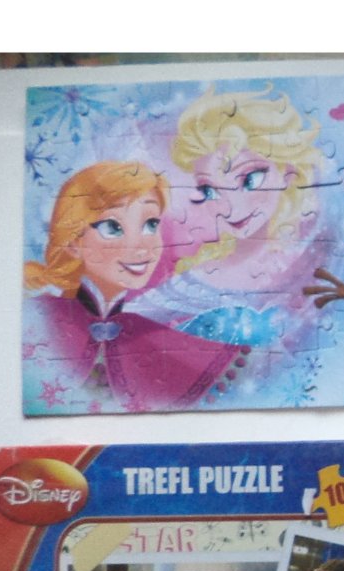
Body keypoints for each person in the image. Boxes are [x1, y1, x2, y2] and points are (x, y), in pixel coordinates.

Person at [22, 161, 244, 411]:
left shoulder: (151, 334)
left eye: (151, 225)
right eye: (113, 227)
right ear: (74, 242)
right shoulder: (36, 319)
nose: (140, 246)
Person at [127, 87, 324, 350]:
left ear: (287, 170)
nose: (231, 208)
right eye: (210, 190)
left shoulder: (313, 259)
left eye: (249, 179)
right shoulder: (189, 285)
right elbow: (129, 336)